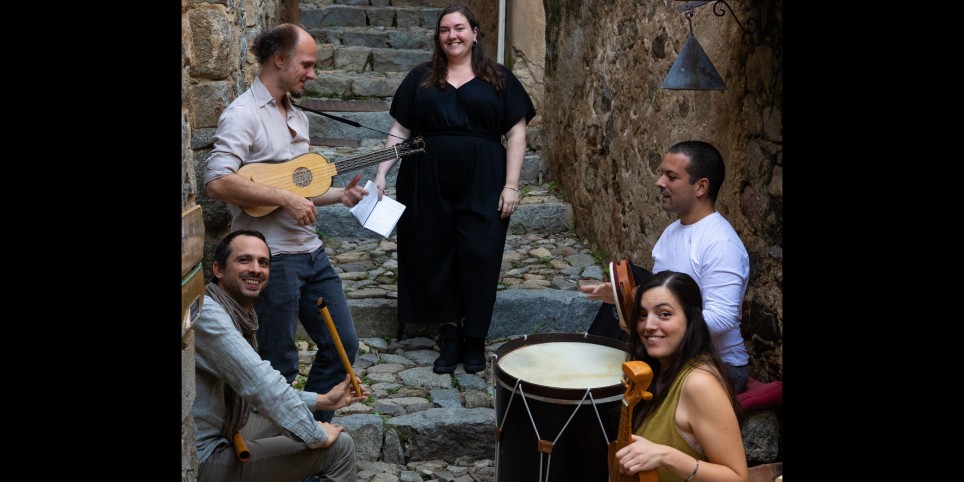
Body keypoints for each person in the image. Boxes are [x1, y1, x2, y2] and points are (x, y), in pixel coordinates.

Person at [205, 23, 369, 422]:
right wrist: (284, 198)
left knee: (344, 345)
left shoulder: (296, 115)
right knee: (279, 363)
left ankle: (309, 436)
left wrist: (340, 197)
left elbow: (300, 189)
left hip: (312, 253)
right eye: (307, 64)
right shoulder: (243, 114)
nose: (313, 73)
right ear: (279, 59)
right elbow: (216, 180)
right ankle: (280, 453)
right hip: (273, 260)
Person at [373, 4, 536, 374]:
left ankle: (475, 338)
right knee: (436, 252)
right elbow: (399, 131)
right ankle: (450, 336)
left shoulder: (499, 78)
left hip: (485, 178)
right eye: (445, 30)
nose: (453, 36)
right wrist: (382, 172)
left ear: (475, 32)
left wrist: (511, 185)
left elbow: (516, 133)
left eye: (460, 28)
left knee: (480, 254)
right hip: (425, 179)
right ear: (438, 37)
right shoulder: (421, 77)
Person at [193, 229, 371, 481]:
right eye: (244, 260)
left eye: (263, 262)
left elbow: (264, 395)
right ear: (218, 270)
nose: (256, 269)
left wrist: (323, 400)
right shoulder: (209, 314)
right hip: (203, 456)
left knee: (284, 416)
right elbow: (260, 383)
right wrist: (317, 436)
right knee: (340, 447)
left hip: (226, 426)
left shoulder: (234, 311)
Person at [580, 140, 751, 393]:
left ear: (701, 187)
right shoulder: (671, 232)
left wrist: (653, 324)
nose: (660, 182)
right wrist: (623, 298)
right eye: (662, 174)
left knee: (620, 388)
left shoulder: (720, 243)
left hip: (717, 365)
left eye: (671, 176)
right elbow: (662, 296)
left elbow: (721, 319)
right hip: (671, 356)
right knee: (594, 370)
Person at [613, 271, 747, 482]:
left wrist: (666, 456)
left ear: (690, 319)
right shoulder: (657, 370)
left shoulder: (699, 384)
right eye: (642, 314)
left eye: (664, 314)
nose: (648, 325)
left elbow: (737, 478)